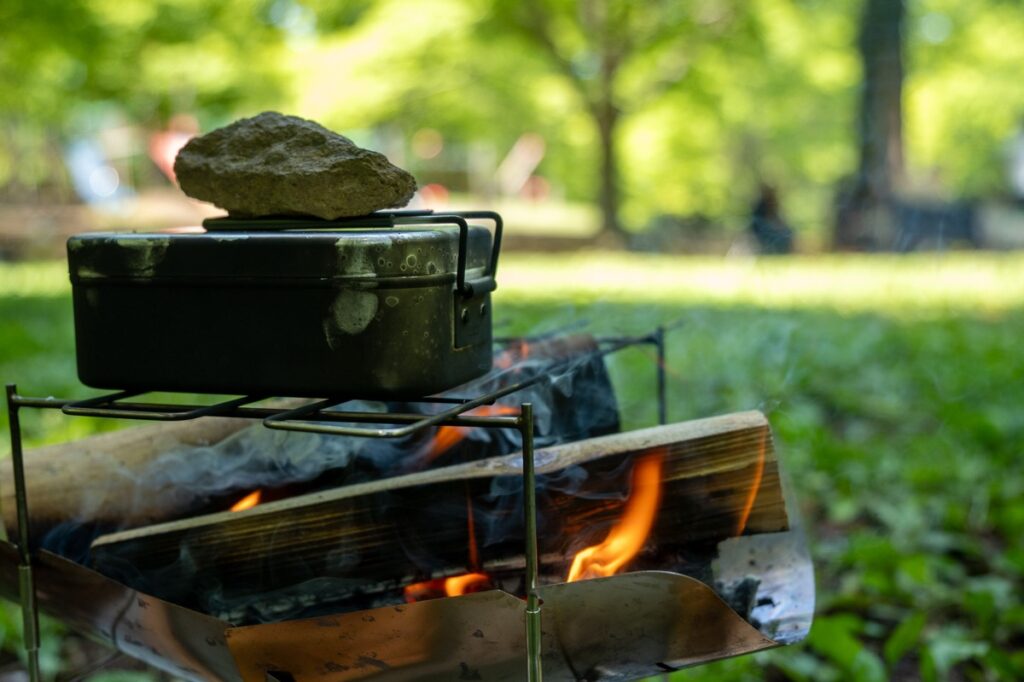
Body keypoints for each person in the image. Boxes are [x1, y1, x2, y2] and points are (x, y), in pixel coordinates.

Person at [749, 183, 794, 254]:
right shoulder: (760, 206)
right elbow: (763, 219)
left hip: (772, 229)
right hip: (763, 229)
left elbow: (777, 217)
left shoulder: (774, 204)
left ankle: (784, 250)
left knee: (787, 233)